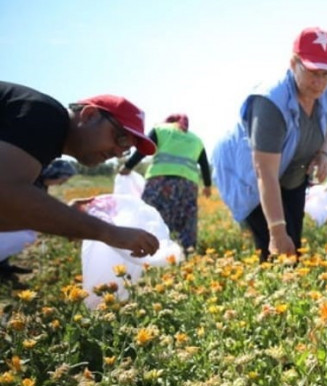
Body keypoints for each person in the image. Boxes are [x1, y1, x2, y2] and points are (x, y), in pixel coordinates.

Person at [212, 27, 327, 261]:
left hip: (292, 174)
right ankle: (273, 289)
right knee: (277, 247)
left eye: (326, 74)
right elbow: (265, 173)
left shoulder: (323, 92)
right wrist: (277, 232)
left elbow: (326, 124)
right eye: (312, 72)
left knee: (294, 246)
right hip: (251, 176)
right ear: (293, 63)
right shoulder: (270, 103)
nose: (320, 82)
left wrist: (323, 154)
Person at [0, 81, 161, 260]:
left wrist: (69, 219)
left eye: (126, 149)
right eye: (120, 138)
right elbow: (6, 191)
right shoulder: (46, 115)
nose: (117, 153)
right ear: (90, 115)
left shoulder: (43, 143)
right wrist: (109, 232)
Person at [119, 113, 211, 252]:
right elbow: (204, 164)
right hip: (188, 185)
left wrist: (128, 166)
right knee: (186, 218)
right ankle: (186, 250)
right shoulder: (196, 139)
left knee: (153, 214)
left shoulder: (160, 130)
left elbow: (143, 150)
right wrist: (207, 185)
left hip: (160, 182)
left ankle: (151, 249)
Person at [0, 159, 78, 288]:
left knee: (25, 236)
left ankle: (3, 266)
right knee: (21, 236)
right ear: (55, 174)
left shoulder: (41, 184)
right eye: (62, 180)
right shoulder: (31, 182)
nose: (61, 184)